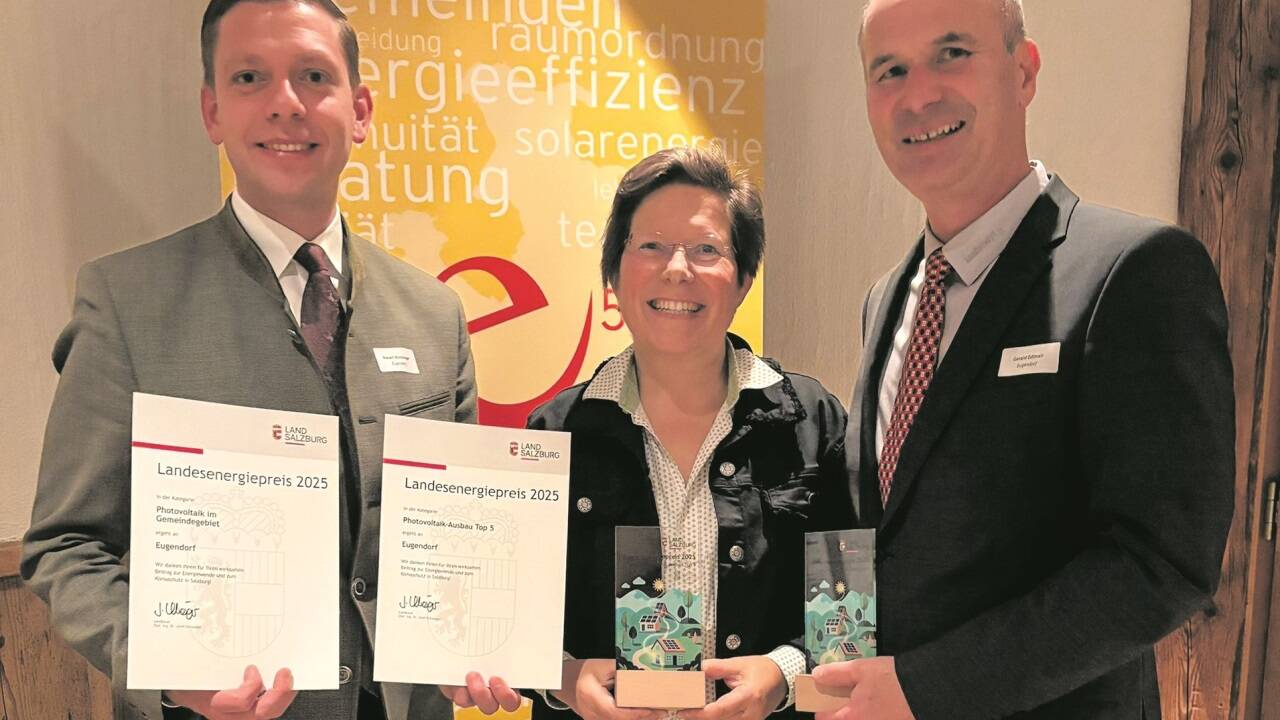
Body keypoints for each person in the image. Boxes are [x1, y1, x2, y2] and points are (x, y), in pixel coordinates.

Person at [21, 1, 475, 718]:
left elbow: (456, 537)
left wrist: (475, 643)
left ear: (359, 111)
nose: (285, 103)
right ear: (213, 112)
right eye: (249, 77)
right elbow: (66, 545)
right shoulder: (127, 302)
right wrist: (167, 670)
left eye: (314, 76)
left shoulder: (435, 313)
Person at [813, 1, 1235, 718]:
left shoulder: (1136, 271)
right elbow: (873, 534)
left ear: (1024, 70)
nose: (918, 94)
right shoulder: (885, 299)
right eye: (890, 70)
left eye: (952, 54)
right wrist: (808, 668)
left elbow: (1161, 562)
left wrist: (926, 688)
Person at [443, 146, 853, 720]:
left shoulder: (811, 420)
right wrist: (564, 678)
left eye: (707, 249)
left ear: (743, 279)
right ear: (613, 273)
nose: (677, 269)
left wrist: (780, 675)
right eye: (651, 246)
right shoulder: (557, 432)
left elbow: (848, 616)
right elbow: (516, 619)